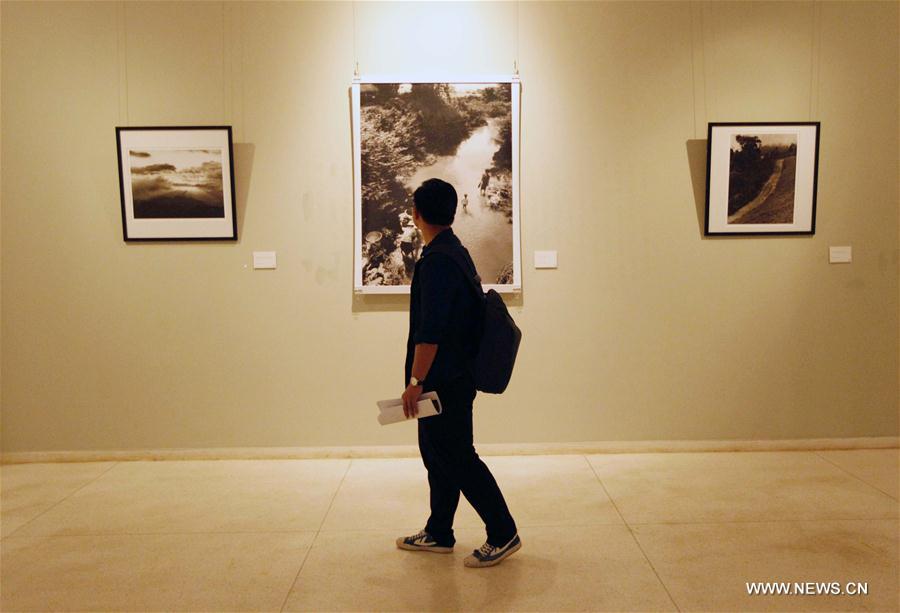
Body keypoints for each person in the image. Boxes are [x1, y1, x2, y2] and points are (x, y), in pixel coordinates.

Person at [395, 178, 521, 569]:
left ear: (417, 215)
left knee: (458, 457)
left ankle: (503, 532)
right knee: (439, 455)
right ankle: (439, 531)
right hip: (455, 376)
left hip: (443, 381)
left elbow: (429, 333)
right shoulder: (455, 252)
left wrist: (415, 383)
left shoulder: (436, 262)